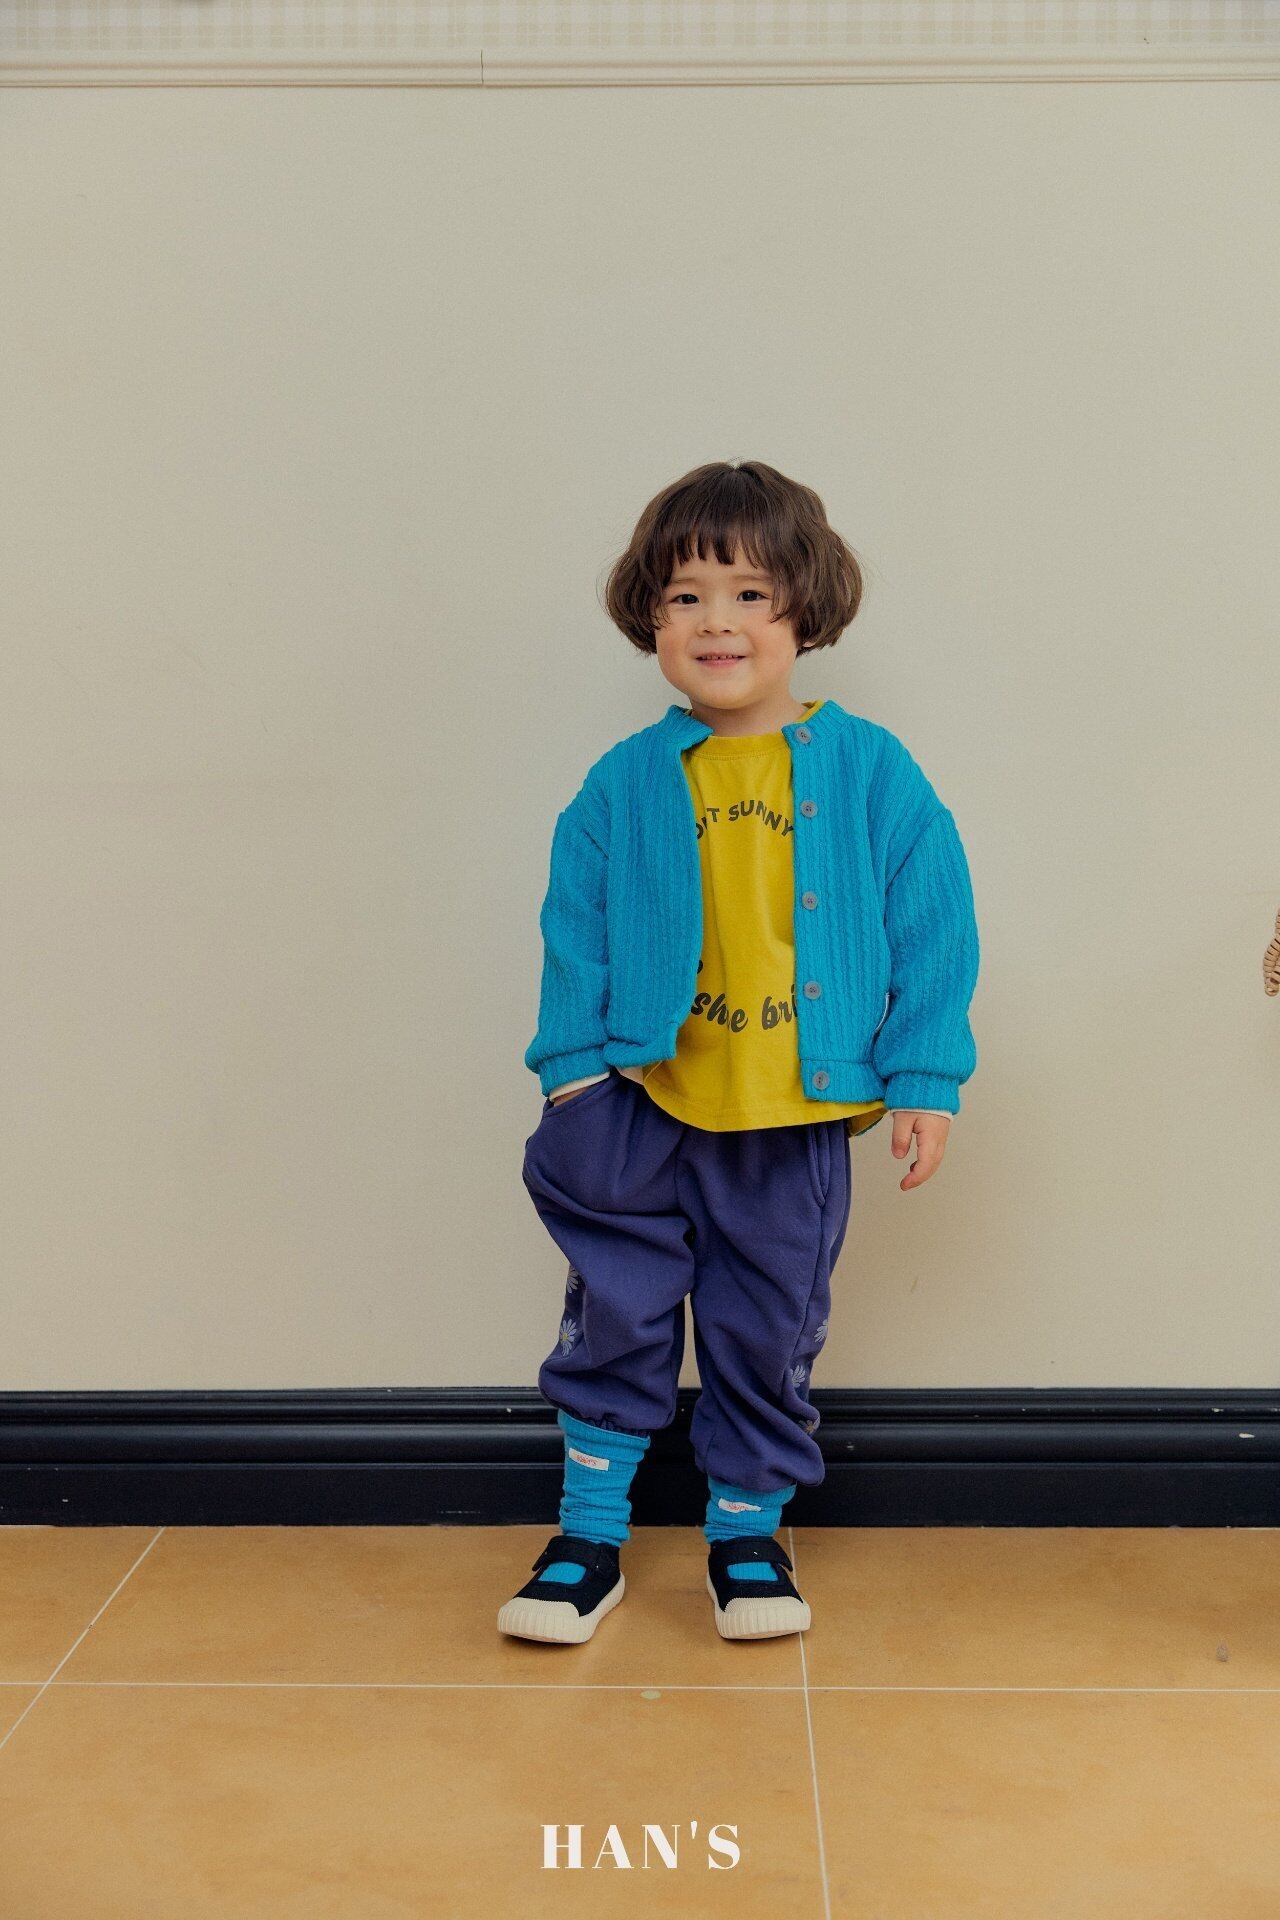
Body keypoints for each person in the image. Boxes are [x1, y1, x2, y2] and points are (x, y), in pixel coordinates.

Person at [498, 459, 979, 1645]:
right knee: (613, 1319)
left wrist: (923, 1077)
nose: (717, 621)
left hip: (791, 1123)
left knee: (766, 1330)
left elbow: (933, 922)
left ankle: (745, 1536)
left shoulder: (869, 772)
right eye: (685, 597)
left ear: (804, 610)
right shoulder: (624, 782)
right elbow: (572, 923)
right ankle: (587, 1536)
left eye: (750, 594)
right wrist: (573, 1079)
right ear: (650, 620)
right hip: (637, 1109)